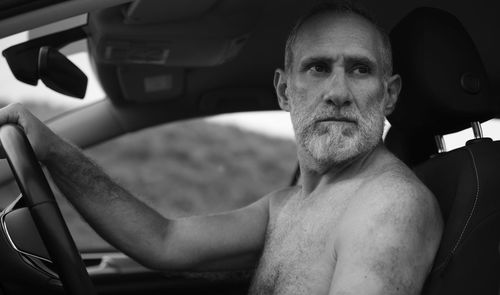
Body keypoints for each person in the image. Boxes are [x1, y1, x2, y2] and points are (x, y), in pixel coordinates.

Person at [0, 2, 443, 294]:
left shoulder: (389, 206)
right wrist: (55, 151)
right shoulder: (288, 205)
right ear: (285, 91)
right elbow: (164, 240)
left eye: (360, 70)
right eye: (318, 68)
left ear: (389, 94)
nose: (338, 91)